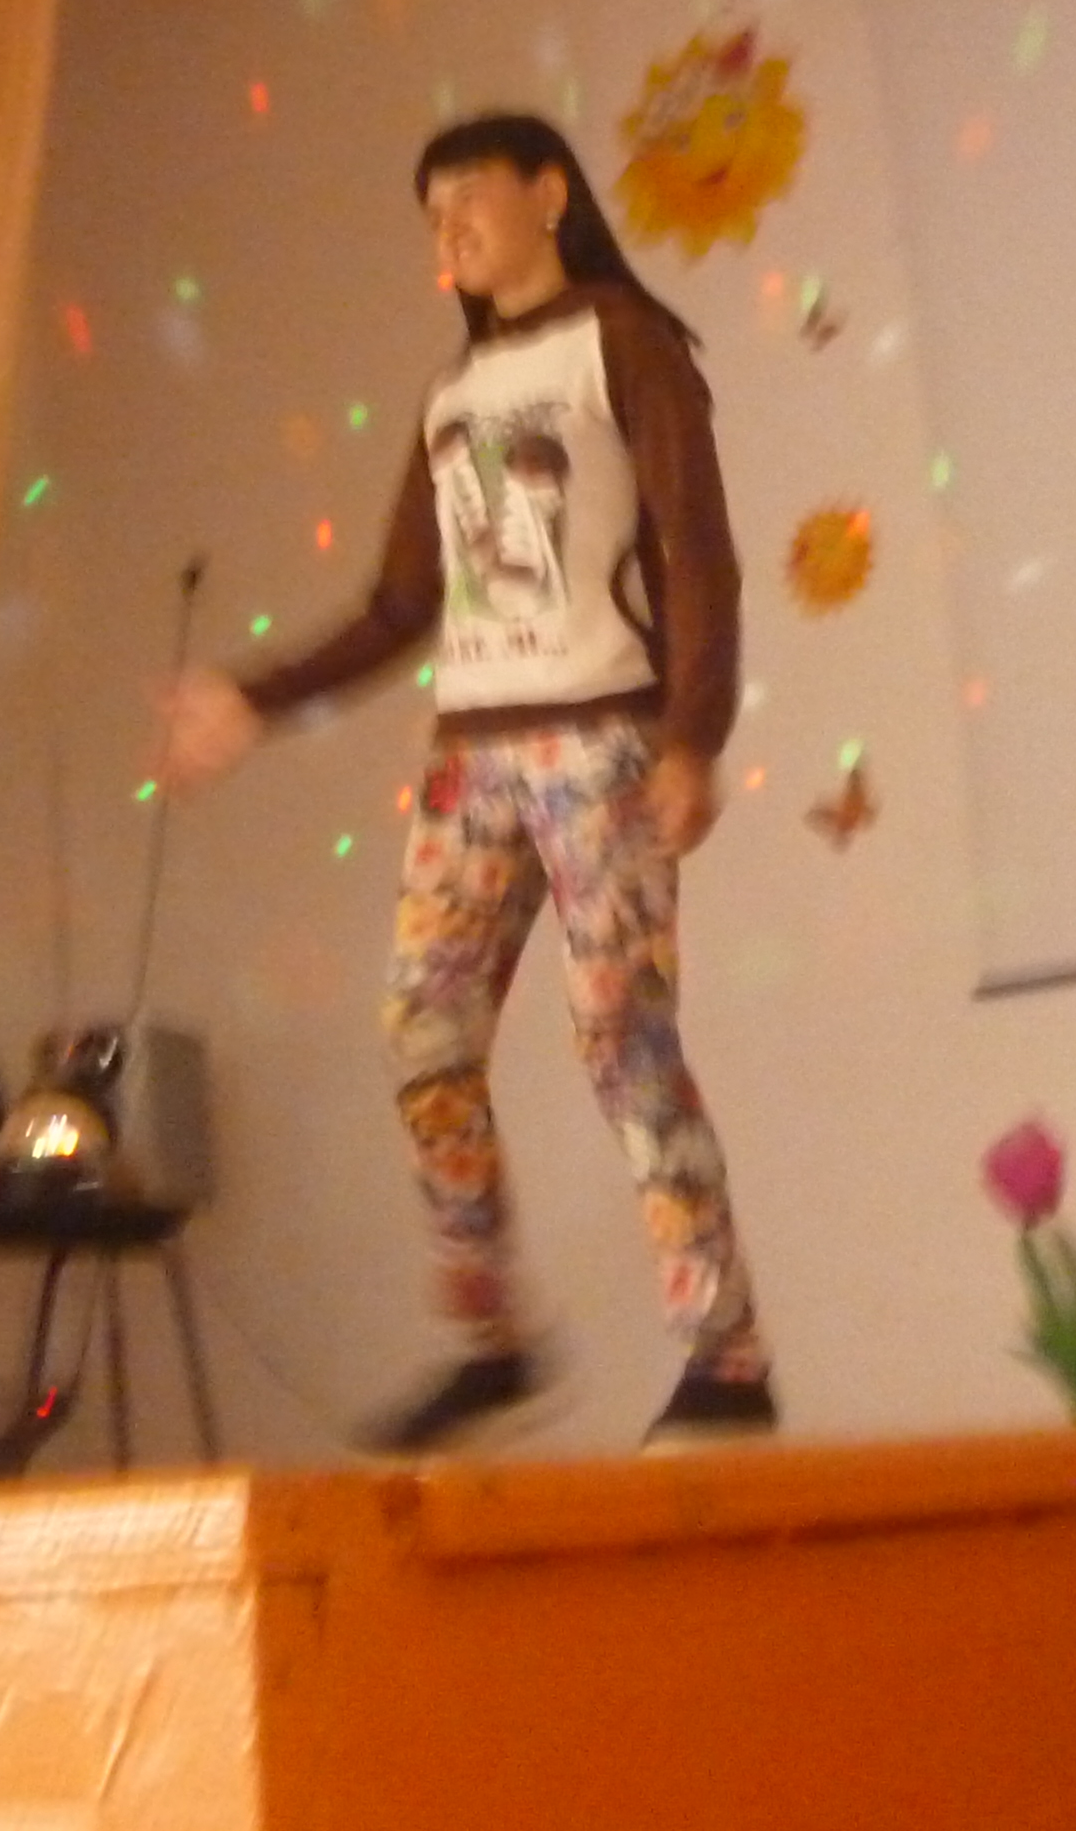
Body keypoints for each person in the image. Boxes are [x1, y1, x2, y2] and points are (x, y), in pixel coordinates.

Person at [155, 109, 776, 1456]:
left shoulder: (624, 342)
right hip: (470, 759)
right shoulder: (452, 396)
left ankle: (726, 1357)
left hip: (600, 745)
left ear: (549, 194)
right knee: (422, 1033)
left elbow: (698, 550)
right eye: (432, 218)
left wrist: (693, 734)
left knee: (620, 1038)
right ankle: (492, 1343)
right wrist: (254, 699)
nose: (451, 233)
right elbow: (400, 604)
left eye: (470, 201)